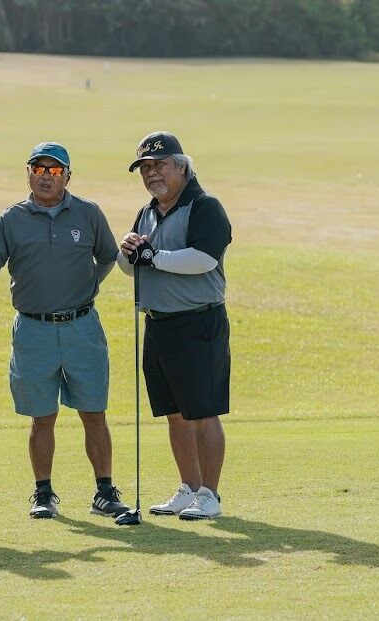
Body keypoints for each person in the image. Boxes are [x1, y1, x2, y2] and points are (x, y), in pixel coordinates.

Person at [0, 142, 130, 520]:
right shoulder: (10, 220)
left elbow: (109, 255)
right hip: (33, 330)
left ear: (67, 176)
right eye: (40, 169)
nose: (47, 177)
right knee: (42, 416)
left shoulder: (88, 213)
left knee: (93, 412)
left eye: (55, 170)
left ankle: (104, 492)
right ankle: (43, 494)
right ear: (29, 172)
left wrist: (90, 286)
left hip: (82, 327)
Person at [117, 131, 232, 520]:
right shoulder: (147, 212)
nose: (152, 175)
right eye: (145, 168)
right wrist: (129, 252)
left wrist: (153, 255)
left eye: (159, 165)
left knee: (202, 411)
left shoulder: (204, 206)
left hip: (198, 322)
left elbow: (205, 259)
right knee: (174, 412)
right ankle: (189, 487)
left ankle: (210, 495)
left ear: (181, 166)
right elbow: (130, 266)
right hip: (159, 324)